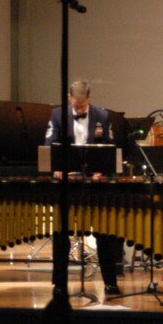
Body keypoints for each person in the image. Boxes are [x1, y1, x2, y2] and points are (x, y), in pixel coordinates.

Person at [44, 79, 123, 295]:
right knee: (61, 235)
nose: (78, 108)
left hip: (94, 184)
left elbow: (109, 145)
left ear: (90, 98)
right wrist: (56, 169)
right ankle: (59, 284)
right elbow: (50, 143)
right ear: (69, 98)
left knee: (103, 233)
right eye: (75, 104)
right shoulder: (58, 115)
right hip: (67, 183)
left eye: (82, 105)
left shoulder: (103, 116)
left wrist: (103, 170)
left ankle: (110, 282)